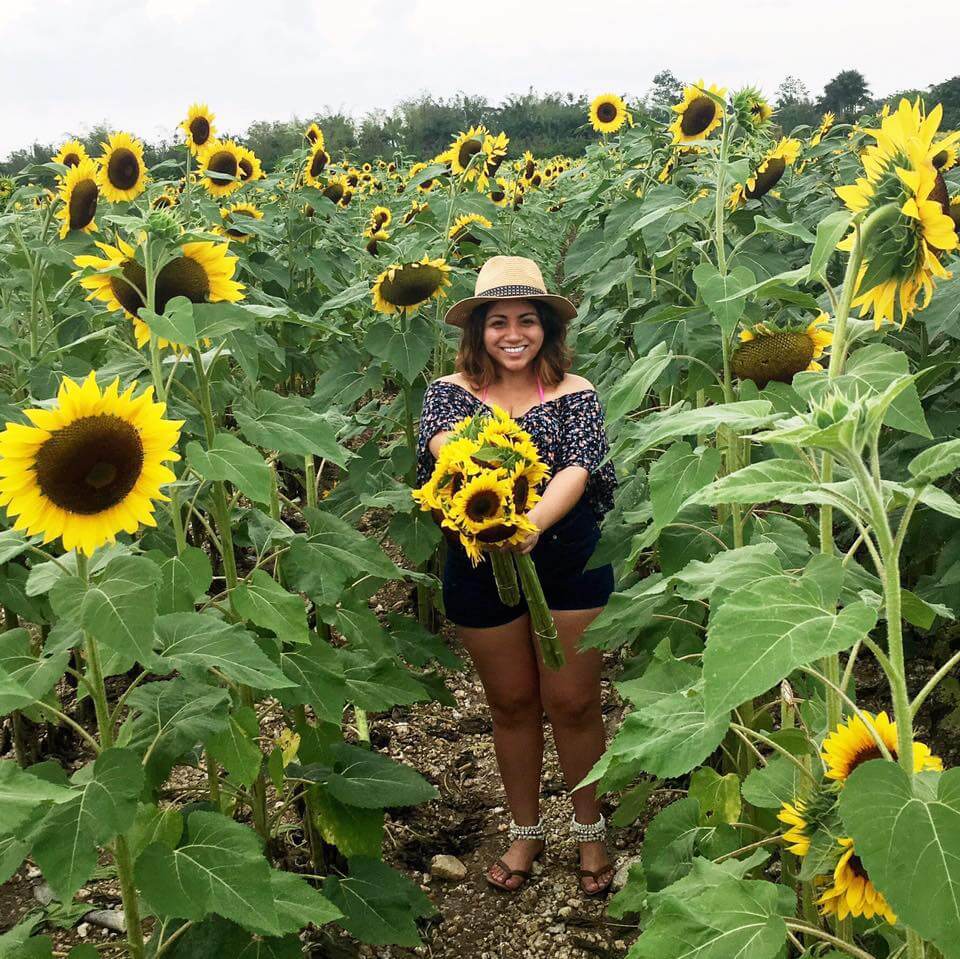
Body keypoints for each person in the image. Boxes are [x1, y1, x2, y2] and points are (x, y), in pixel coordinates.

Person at [416, 255, 618, 896]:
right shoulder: (449, 393)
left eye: (526, 320)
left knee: (575, 703)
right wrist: (490, 503)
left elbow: (577, 470)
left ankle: (591, 829)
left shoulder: (575, 393)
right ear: (476, 331)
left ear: (546, 329)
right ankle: (526, 829)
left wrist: (528, 524)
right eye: (497, 321)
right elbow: (446, 448)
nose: (512, 334)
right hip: (479, 560)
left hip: (568, 559)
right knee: (510, 703)